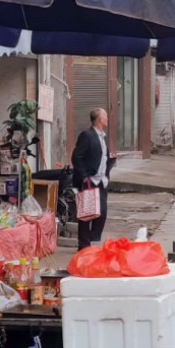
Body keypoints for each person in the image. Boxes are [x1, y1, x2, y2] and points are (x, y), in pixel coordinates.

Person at [70, 107, 117, 250]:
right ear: (100, 119)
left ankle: (92, 239)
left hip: (101, 181)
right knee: (86, 214)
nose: (108, 119)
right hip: (89, 180)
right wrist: (84, 177)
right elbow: (76, 157)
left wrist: (110, 160)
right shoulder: (87, 135)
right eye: (106, 117)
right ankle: (83, 246)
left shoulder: (102, 137)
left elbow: (101, 156)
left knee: (101, 212)